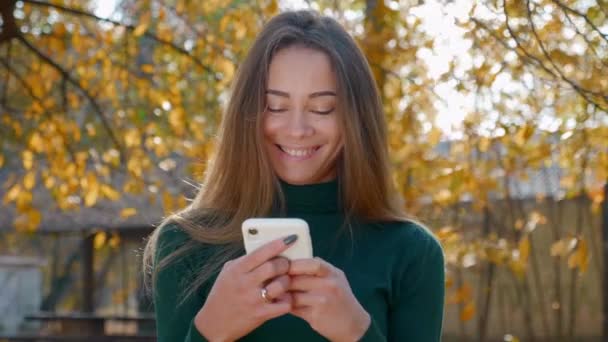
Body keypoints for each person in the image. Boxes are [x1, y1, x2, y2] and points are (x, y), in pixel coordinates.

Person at [142, 9, 445, 342]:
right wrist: (211, 331)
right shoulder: (183, 244)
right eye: (275, 106)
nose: (297, 130)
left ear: (356, 119)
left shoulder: (412, 253)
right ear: (248, 112)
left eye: (322, 108)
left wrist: (356, 332)